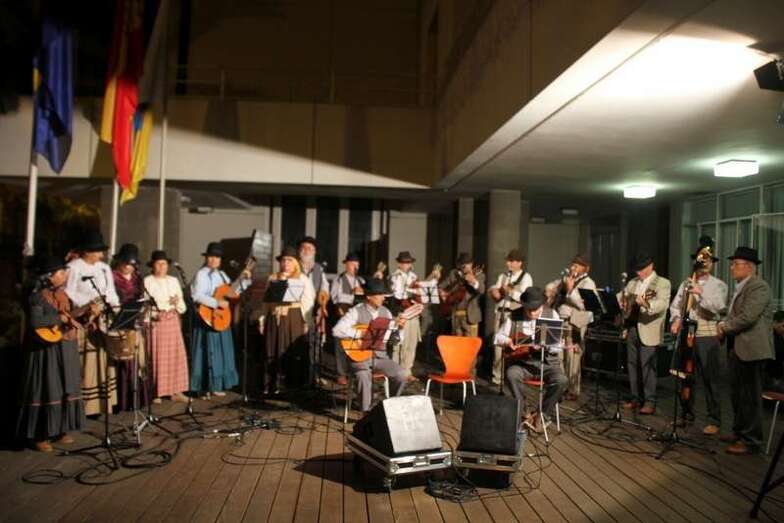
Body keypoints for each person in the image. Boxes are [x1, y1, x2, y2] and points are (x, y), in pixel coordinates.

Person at [17, 255, 85, 451]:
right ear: (49, 276)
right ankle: (40, 435)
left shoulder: (64, 296)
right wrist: (59, 319)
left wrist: (88, 313)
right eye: (61, 273)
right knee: (47, 387)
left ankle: (61, 429)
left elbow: (71, 316)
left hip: (65, 346)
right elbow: (35, 322)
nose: (65, 275)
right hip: (45, 351)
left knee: (66, 385)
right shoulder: (37, 297)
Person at [717, 246, 774, 455]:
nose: (731, 267)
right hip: (738, 347)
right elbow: (733, 314)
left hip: (752, 349)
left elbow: (748, 316)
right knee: (737, 394)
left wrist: (724, 327)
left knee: (749, 397)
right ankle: (739, 432)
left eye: (735, 264)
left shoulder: (759, 286)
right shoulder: (741, 287)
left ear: (749, 266)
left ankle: (751, 441)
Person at [668, 237, 727, 434]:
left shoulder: (718, 285)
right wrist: (676, 319)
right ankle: (686, 414)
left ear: (713, 263)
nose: (705, 263)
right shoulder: (686, 283)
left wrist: (700, 292)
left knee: (710, 379)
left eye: (709, 260)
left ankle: (714, 420)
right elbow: (676, 306)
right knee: (685, 377)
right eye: (702, 260)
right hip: (688, 334)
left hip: (707, 334)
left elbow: (717, 308)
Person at [495, 287, 567, 431]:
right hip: (523, 364)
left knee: (561, 380)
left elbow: (558, 346)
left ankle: (542, 415)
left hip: (548, 364)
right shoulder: (514, 316)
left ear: (542, 305)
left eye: (536, 309)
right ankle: (524, 413)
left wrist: (548, 346)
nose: (532, 313)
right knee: (511, 374)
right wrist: (508, 341)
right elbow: (497, 337)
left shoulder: (552, 314)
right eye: (529, 310)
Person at [65, 230, 120, 416]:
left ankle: (101, 405)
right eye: (97, 251)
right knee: (85, 363)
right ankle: (83, 406)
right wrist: (88, 305)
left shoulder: (104, 268)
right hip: (83, 319)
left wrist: (111, 307)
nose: (101, 255)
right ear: (87, 251)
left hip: (102, 318)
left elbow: (110, 292)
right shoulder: (73, 267)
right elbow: (68, 292)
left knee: (101, 360)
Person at [332, 278, 409, 413]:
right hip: (359, 358)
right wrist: (360, 334)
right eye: (379, 294)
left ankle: (389, 407)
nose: (383, 298)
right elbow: (336, 330)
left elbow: (394, 341)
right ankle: (366, 411)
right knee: (363, 375)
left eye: (383, 295)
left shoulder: (386, 312)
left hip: (380, 357)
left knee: (402, 374)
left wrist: (400, 329)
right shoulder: (356, 311)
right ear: (369, 296)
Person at [190, 241, 251, 398]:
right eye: (211, 256)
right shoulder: (201, 274)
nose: (214, 260)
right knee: (206, 352)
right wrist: (216, 303)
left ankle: (216, 385)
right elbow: (196, 295)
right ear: (206, 258)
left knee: (221, 353)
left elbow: (231, 292)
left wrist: (244, 279)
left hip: (221, 318)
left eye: (217, 257)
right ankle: (204, 387)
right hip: (207, 318)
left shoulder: (222, 275)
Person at [259, 246, 316, 394]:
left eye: (289, 260)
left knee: (292, 351)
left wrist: (306, 322)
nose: (286, 263)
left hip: (293, 318)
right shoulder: (273, 278)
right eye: (283, 260)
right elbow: (265, 303)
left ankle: (291, 386)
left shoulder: (302, 279)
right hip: (275, 318)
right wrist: (262, 319)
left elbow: (308, 302)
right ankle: (272, 386)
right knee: (272, 350)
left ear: (295, 262)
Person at [143, 250, 189, 403]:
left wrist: (177, 303)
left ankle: (176, 390)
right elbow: (147, 303)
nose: (162, 267)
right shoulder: (148, 281)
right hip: (157, 321)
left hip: (172, 320)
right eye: (158, 264)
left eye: (164, 264)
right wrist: (162, 306)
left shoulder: (173, 280)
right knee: (158, 356)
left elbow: (181, 302)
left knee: (176, 356)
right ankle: (157, 392)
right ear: (153, 265)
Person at [550, 254, 597, 400]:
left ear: (585, 268)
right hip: (561, 320)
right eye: (572, 264)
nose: (572, 268)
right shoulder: (567, 279)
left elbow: (584, 305)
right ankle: (561, 386)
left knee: (572, 357)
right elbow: (552, 289)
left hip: (575, 322)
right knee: (560, 355)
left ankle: (573, 389)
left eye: (576, 266)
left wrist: (570, 290)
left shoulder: (588, 283)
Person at [111, 243, 149, 410]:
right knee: (123, 359)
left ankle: (138, 399)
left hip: (135, 320)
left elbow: (142, 297)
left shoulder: (138, 278)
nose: (128, 267)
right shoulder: (112, 277)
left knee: (138, 359)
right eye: (125, 263)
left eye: (131, 264)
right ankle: (123, 400)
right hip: (119, 319)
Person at [488, 249, 533, 385]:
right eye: (508, 261)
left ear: (519, 263)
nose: (508, 264)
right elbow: (496, 292)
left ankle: (512, 377)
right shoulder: (503, 276)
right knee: (498, 345)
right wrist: (494, 291)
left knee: (514, 345)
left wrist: (511, 292)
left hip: (514, 314)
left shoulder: (526, 277)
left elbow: (525, 298)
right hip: (501, 312)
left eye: (511, 261)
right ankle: (497, 377)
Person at [387, 251, 426, 380]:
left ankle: (407, 371)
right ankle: (395, 371)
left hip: (413, 314)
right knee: (398, 343)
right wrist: (408, 293)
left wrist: (419, 296)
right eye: (404, 262)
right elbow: (397, 296)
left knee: (411, 343)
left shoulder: (414, 277)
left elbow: (420, 294)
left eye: (408, 263)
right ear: (399, 263)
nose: (406, 265)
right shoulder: (394, 277)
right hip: (400, 313)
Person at [297, 237, 330, 387]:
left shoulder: (318, 269)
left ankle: (314, 376)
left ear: (314, 252)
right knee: (299, 345)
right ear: (299, 251)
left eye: (310, 248)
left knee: (315, 345)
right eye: (304, 248)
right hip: (298, 312)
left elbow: (324, 287)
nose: (306, 251)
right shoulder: (294, 266)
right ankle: (298, 378)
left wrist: (323, 298)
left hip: (314, 312)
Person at [330, 253, 365, 386]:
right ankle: (341, 374)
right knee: (341, 344)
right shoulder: (339, 279)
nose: (355, 267)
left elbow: (367, 295)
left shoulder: (360, 280)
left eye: (357, 265)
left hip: (358, 314)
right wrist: (352, 294)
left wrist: (362, 291)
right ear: (346, 265)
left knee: (356, 344)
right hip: (343, 312)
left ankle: (356, 371)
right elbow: (334, 297)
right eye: (352, 264)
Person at [438, 252, 485, 337]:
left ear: (471, 264)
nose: (464, 266)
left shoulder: (478, 275)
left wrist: (474, 281)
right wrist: (443, 294)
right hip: (455, 315)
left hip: (471, 316)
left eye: (466, 264)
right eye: (462, 264)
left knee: (470, 343)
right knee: (457, 343)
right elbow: (441, 286)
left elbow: (482, 290)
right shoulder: (454, 274)